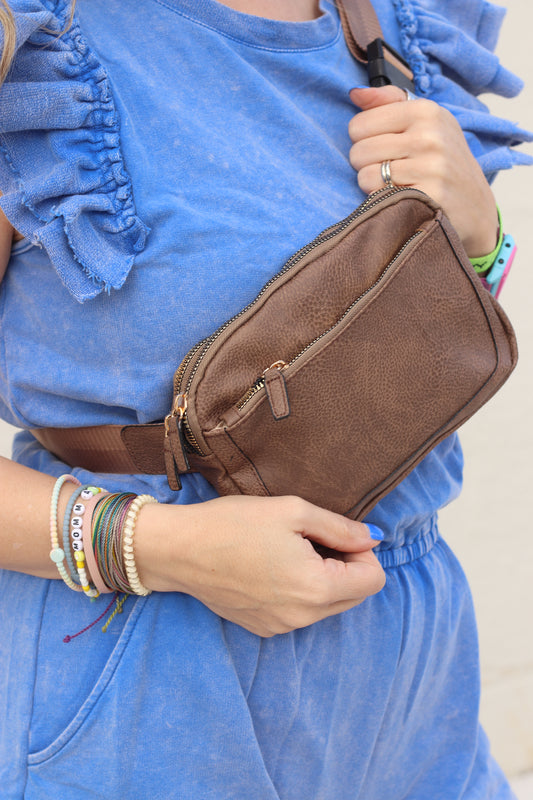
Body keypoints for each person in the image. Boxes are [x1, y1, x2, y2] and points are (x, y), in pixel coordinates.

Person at [0, 0, 530, 797]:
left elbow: (405, 344)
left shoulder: (399, 23)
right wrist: (159, 547)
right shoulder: (41, 45)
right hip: (146, 679)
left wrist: (483, 238)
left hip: (414, 681)